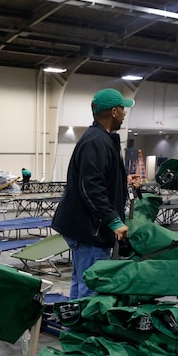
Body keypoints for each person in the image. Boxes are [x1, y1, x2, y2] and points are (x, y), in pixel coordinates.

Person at [51, 88, 134, 299]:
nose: (124, 113)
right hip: (91, 230)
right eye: (122, 109)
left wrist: (122, 182)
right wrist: (113, 220)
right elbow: (91, 187)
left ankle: (75, 317)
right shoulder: (96, 142)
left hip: (87, 227)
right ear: (114, 112)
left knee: (82, 281)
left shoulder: (101, 139)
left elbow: (98, 178)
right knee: (92, 286)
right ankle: (84, 320)